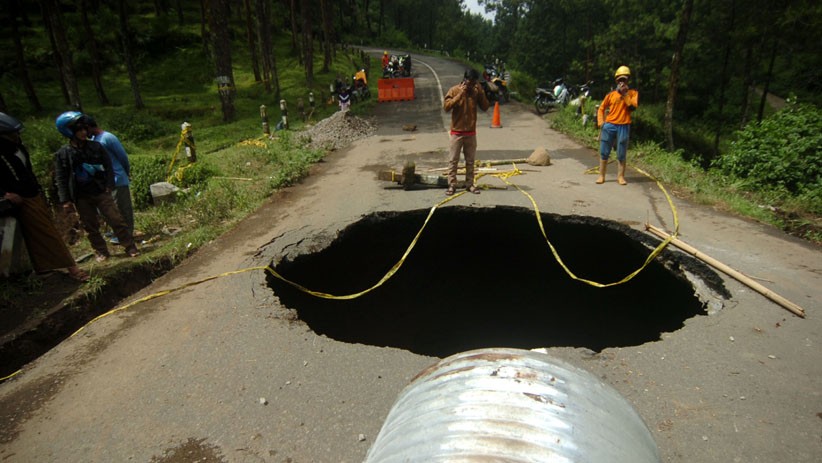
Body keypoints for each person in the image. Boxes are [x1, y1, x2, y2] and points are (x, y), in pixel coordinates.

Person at [0, 112, 89, 281]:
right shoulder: (2, 153)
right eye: (12, 135)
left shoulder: (19, 148)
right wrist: (4, 194)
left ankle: (47, 267)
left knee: (46, 231)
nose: (16, 137)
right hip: (19, 197)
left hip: (32, 194)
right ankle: (70, 268)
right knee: (44, 233)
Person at [54, 111, 139, 261]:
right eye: (79, 130)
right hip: (81, 196)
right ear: (70, 132)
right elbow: (61, 177)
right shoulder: (64, 154)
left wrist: (109, 185)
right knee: (90, 225)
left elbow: (108, 166)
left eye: (84, 129)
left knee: (116, 219)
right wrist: (65, 200)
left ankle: (129, 246)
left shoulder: (96, 147)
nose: (83, 132)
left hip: (101, 191)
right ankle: (101, 251)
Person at [84, 115, 134, 241]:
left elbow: (122, 157)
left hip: (118, 178)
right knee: (110, 210)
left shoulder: (108, 137)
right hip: (108, 181)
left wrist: (126, 172)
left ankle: (127, 234)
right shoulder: (95, 139)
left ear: (90, 127)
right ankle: (118, 232)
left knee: (123, 208)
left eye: (85, 130)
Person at [443, 69, 490, 195]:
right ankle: (452, 184)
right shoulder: (454, 90)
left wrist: (481, 92)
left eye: (474, 83)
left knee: (470, 161)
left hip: (470, 132)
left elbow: (485, 107)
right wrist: (460, 95)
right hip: (456, 132)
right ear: (465, 80)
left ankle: (469, 184)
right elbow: (446, 107)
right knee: (453, 160)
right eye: (470, 83)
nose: (471, 86)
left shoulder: (476, 92)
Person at [596, 65, 639, 185]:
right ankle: (601, 176)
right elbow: (601, 108)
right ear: (616, 81)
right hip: (609, 125)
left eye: (624, 80)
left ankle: (620, 177)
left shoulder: (633, 93)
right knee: (604, 151)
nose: (622, 82)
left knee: (621, 152)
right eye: (620, 80)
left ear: (628, 80)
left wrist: (625, 95)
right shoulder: (610, 94)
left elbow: (632, 108)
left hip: (624, 126)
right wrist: (601, 123)